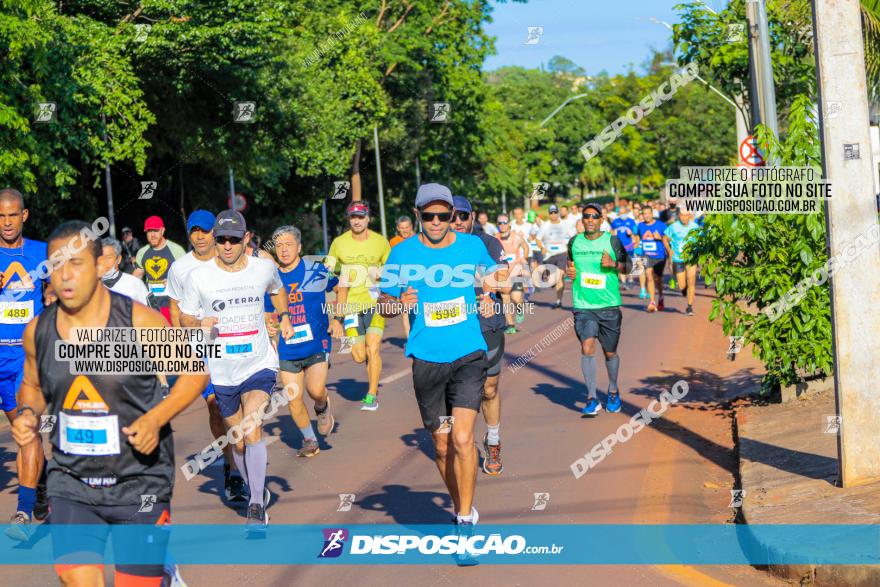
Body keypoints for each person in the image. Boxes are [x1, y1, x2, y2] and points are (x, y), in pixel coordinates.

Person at [10, 220, 209, 586]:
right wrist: (26, 412)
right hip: (72, 479)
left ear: (101, 264)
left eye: (76, 263)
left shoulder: (137, 323)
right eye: (55, 264)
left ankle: (163, 571)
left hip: (140, 480)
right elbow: (33, 386)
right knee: (77, 579)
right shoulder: (38, 330)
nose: (65, 275)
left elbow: (195, 372)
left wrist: (156, 418)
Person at [378, 184, 502, 563]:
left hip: (468, 353)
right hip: (427, 359)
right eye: (428, 215)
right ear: (418, 216)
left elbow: (495, 280)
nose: (436, 222)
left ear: (452, 216)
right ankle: (459, 503)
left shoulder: (471, 248)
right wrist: (396, 301)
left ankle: (464, 520)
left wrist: (489, 293)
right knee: (443, 445)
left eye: (443, 215)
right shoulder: (401, 254)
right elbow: (381, 306)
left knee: (464, 439)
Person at [179, 210, 292, 530]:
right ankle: (255, 487)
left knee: (252, 425)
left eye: (233, 239)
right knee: (237, 438)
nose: (226, 246)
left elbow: (277, 289)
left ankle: (256, 504)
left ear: (246, 239)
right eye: (221, 240)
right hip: (221, 369)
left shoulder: (263, 268)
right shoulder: (198, 278)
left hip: (258, 363)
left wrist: (283, 315)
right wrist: (199, 323)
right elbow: (185, 317)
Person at [165, 209, 247, 502]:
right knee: (215, 407)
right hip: (201, 347)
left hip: (236, 342)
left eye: (205, 230)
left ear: (216, 231)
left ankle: (244, 452)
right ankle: (232, 467)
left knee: (242, 408)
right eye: (194, 231)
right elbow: (175, 306)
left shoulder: (230, 259)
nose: (199, 236)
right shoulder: (179, 268)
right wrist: (181, 342)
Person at [0, 188, 48, 539]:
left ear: (24, 215)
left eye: (12, 215)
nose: (6, 222)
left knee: (27, 431)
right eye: (0, 216)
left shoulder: (43, 254)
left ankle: (23, 512)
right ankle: (42, 483)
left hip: (27, 359)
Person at [270, 225, 341, 458]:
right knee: (293, 397)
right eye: (279, 245)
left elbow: (342, 286)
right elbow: (265, 311)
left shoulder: (315, 270)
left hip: (317, 343)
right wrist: (269, 328)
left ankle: (322, 406)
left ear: (299, 247)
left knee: (315, 390)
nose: (283, 250)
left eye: (288, 244)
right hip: (287, 348)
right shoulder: (272, 278)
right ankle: (310, 440)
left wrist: (339, 318)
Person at [452, 196, 509, 476]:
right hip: (452, 327)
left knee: (488, 388)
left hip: (487, 325)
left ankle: (494, 440)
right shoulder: (435, 249)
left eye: (463, 216)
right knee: (454, 389)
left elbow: (505, 279)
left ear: (472, 217)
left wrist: (485, 286)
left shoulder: (487, 243)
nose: (457, 222)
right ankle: (462, 442)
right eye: (452, 216)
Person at [327, 201, 391, 411]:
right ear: (349, 218)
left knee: (373, 349)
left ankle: (372, 395)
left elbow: (391, 269)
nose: (357, 220)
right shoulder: (339, 242)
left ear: (368, 218)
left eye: (360, 216)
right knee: (358, 355)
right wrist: (335, 284)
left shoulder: (380, 242)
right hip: (351, 306)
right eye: (353, 216)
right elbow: (328, 270)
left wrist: (384, 277)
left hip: (375, 303)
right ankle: (369, 368)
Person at [565, 203, 627, 417]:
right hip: (583, 305)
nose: (590, 220)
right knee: (587, 345)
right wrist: (570, 273)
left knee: (610, 352)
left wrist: (613, 264)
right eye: (586, 216)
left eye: (594, 216)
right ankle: (592, 397)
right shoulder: (574, 242)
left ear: (602, 219)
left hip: (609, 305)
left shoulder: (612, 241)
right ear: (582, 220)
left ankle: (613, 390)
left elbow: (629, 266)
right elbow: (570, 266)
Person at [133, 216, 186, 323]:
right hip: (151, 307)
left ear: (163, 230)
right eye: (149, 231)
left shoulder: (176, 250)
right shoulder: (142, 252)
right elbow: (136, 277)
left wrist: (172, 282)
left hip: (173, 306)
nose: (152, 235)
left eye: (156, 231)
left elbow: (188, 277)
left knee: (175, 338)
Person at [536, 204, 575, 309]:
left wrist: (570, 247)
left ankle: (558, 301)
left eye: (555, 212)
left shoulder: (565, 224)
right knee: (549, 279)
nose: (553, 214)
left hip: (562, 253)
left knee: (559, 277)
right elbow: (538, 239)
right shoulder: (545, 225)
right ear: (549, 214)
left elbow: (573, 237)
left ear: (558, 213)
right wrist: (542, 248)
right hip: (549, 255)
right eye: (551, 213)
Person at [495, 214, 529, 334]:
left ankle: (520, 308)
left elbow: (526, 247)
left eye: (504, 222)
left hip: (516, 272)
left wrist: (524, 257)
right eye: (499, 223)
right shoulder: (495, 239)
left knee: (516, 298)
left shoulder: (517, 237)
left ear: (509, 224)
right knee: (505, 298)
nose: (502, 225)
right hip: (503, 273)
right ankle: (510, 324)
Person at [663, 209, 701, 316]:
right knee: (682, 285)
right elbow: (665, 238)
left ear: (689, 216)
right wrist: (669, 250)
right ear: (679, 216)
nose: (684, 218)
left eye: (686, 215)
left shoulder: (695, 226)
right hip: (678, 259)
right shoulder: (673, 226)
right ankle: (685, 290)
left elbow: (701, 239)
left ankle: (689, 307)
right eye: (682, 216)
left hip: (691, 258)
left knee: (691, 281)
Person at [633, 207, 669, 312]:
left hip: (660, 256)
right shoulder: (640, 226)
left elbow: (669, 239)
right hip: (647, 256)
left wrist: (660, 238)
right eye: (645, 214)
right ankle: (652, 302)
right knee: (649, 276)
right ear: (642, 215)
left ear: (652, 214)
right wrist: (637, 248)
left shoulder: (661, 225)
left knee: (658, 279)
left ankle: (661, 297)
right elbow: (638, 238)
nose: (647, 215)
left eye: (649, 213)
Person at [100, 238, 150, 305]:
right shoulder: (90, 286)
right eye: (101, 258)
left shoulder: (135, 283)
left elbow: (150, 312)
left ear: (118, 259)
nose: (104, 262)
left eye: (108, 258)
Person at [609, 206, 638, 290]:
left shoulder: (631, 221)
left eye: (624, 213)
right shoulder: (615, 221)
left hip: (629, 246)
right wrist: (613, 233)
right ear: (619, 214)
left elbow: (636, 233)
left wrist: (631, 233)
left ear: (627, 212)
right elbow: (611, 231)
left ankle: (630, 280)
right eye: (621, 213)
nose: (622, 214)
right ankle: (624, 282)